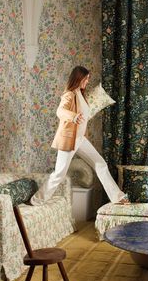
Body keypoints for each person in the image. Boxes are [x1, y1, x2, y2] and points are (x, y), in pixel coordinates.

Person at [30, 66, 129, 206]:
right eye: (85, 78)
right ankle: (36, 200)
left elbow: (85, 118)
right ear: (78, 78)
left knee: (100, 164)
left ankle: (118, 197)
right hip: (70, 139)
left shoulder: (81, 96)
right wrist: (74, 117)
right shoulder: (69, 94)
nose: (87, 81)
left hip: (80, 139)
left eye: (88, 79)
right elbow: (60, 111)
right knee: (59, 173)